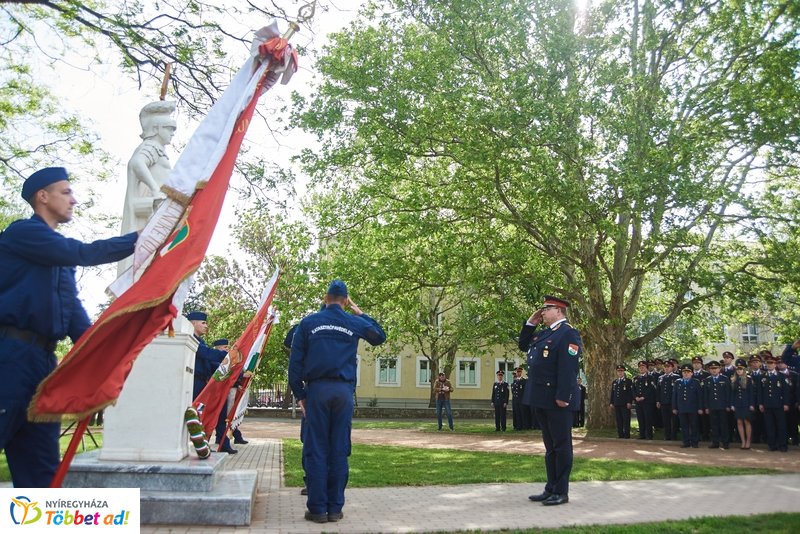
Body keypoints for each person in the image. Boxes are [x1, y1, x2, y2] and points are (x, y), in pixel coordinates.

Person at [0, 167, 138, 487]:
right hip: (9, 358)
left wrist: (110, 350)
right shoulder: (23, 233)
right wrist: (141, 240)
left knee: (42, 469)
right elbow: (82, 252)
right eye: (66, 192)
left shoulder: (55, 257)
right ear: (42, 197)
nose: (74, 200)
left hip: (43, 367)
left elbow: (75, 317)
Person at [288, 280, 386, 523]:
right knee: (339, 449)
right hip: (343, 392)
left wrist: (300, 395)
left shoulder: (309, 323)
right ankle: (335, 509)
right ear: (345, 300)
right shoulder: (353, 322)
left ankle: (318, 509)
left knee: (316, 449)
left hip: (317, 391)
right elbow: (379, 336)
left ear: (325, 297)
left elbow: (295, 365)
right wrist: (358, 310)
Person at [519, 295, 581, 507]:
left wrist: (563, 396)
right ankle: (551, 488)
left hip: (557, 400)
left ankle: (561, 491)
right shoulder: (546, 333)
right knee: (550, 447)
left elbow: (568, 368)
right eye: (543, 309)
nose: (542, 312)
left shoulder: (568, 333)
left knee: (562, 446)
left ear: (559, 311)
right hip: (542, 399)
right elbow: (523, 344)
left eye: (546, 309)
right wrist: (530, 323)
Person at [186, 311, 236, 454]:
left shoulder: (200, 341)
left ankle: (203, 444)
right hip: (195, 383)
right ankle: (200, 444)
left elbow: (211, 362)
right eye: (203, 323)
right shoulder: (192, 339)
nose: (206, 326)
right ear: (193, 323)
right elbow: (207, 354)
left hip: (204, 383)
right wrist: (227, 356)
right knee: (199, 414)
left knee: (207, 414)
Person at [758, 354, 789, 452]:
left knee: (781, 426)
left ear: (775, 364)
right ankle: (772, 444)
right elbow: (760, 392)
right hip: (767, 405)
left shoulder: (781, 376)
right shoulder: (763, 376)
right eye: (767, 363)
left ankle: (782, 445)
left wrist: (786, 403)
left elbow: (786, 391)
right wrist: (760, 403)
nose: (769, 365)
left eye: (771, 363)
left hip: (779, 404)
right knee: (769, 426)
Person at [672, 362, 702, 448]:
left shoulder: (696, 382)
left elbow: (699, 396)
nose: (686, 373)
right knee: (684, 426)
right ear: (682, 373)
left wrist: (700, 407)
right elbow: (674, 395)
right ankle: (686, 442)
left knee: (694, 425)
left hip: (693, 408)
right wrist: (674, 407)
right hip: (681, 408)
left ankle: (695, 442)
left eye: (688, 372)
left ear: (692, 373)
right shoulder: (678, 382)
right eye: (684, 372)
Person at [702, 360, 730, 449]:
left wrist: (727, 405)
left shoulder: (724, 379)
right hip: (712, 406)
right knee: (714, 425)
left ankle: (725, 442)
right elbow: (705, 395)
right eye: (712, 369)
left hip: (722, 406)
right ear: (709, 370)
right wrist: (706, 407)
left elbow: (728, 394)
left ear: (719, 369)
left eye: (716, 368)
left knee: (724, 424)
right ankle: (715, 442)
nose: (714, 370)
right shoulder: (707, 380)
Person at [730, 358, 755, 449]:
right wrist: (732, 404)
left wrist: (752, 404)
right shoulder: (733, 379)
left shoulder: (748, 379)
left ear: (744, 369)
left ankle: (748, 441)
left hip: (746, 404)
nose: (739, 370)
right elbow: (732, 393)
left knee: (746, 421)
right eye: (738, 369)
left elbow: (751, 393)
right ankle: (743, 441)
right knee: (739, 422)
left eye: (741, 369)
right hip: (737, 404)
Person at [633, 360, 657, 439]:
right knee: (640, 418)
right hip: (638, 402)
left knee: (648, 418)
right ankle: (642, 435)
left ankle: (649, 435)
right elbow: (633, 389)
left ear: (646, 368)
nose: (641, 368)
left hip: (647, 401)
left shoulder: (650, 377)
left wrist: (644, 397)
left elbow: (651, 389)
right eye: (640, 367)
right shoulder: (636, 378)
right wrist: (635, 397)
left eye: (643, 367)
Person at [656, 360, 678, 440]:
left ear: (672, 367)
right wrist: (658, 400)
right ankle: (667, 435)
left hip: (672, 402)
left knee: (674, 421)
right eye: (665, 367)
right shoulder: (660, 377)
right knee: (665, 420)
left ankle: (674, 436)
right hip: (663, 402)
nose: (666, 368)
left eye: (668, 367)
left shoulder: (676, 377)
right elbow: (658, 390)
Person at [609, 364, 633, 439]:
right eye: (618, 371)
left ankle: (626, 435)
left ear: (624, 372)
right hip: (617, 403)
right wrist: (611, 402)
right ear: (616, 372)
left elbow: (630, 393)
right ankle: (620, 435)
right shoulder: (615, 382)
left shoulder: (628, 381)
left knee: (626, 420)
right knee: (619, 420)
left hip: (625, 404)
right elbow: (613, 393)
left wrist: (629, 402)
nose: (620, 373)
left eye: (621, 371)